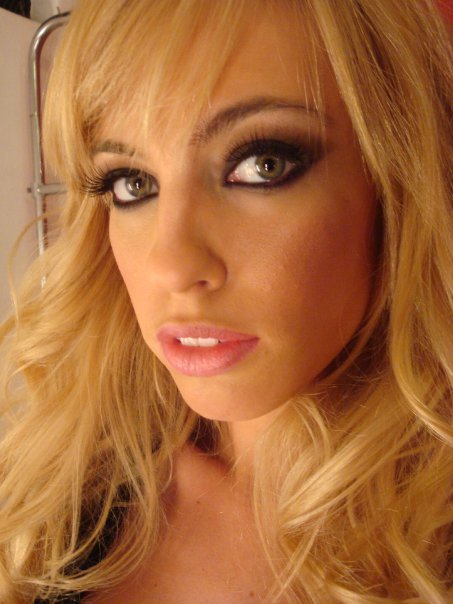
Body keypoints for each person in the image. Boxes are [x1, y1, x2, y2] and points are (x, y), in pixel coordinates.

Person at [0, 0, 452, 602]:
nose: (171, 267)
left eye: (263, 165)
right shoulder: (53, 493)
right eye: (133, 183)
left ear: (397, 183)